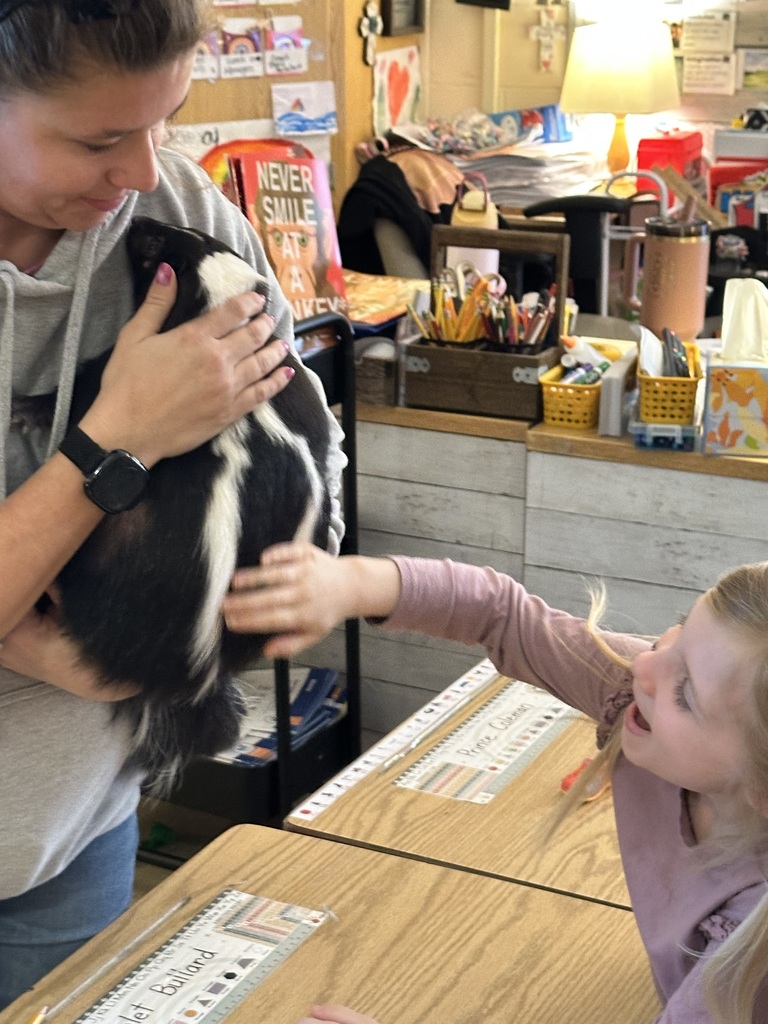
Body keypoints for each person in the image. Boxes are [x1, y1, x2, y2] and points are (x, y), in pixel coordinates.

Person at [0, 0, 345, 1009]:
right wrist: (121, 438)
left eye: (169, 119)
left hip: (82, 832)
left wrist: (161, 654)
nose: (146, 173)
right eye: (101, 138)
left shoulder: (188, 219)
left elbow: (310, 503)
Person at [226, 543, 768, 1024]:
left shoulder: (750, 943)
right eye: (678, 629)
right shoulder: (642, 686)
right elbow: (501, 614)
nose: (646, 665)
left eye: (686, 692)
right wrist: (353, 583)